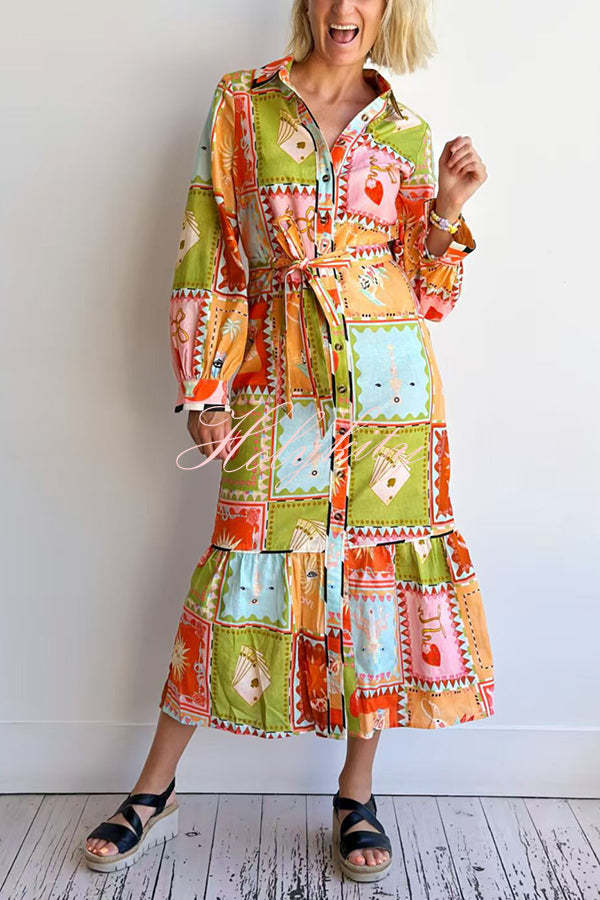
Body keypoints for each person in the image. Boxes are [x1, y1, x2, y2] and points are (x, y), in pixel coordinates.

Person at [84, 0, 495, 883]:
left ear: (388, 9)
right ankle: (155, 789)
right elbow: (211, 243)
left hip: (389, 390)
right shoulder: (244, 102)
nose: (344, 8)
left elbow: (426, 293)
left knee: (375, 576)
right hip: (275, 376)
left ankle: (356, 792)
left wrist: (445, 210)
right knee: (238, 558)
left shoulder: (405, 130)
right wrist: (205, 383)